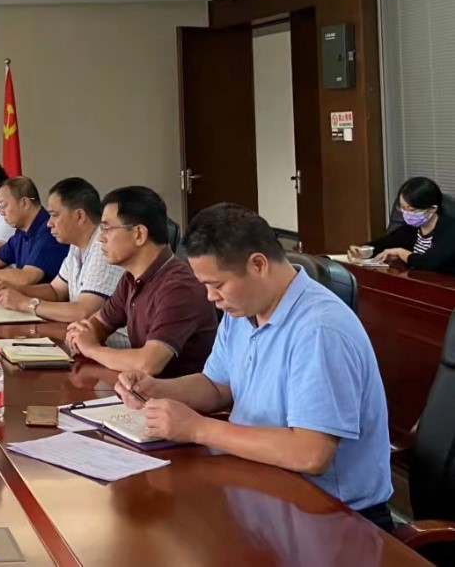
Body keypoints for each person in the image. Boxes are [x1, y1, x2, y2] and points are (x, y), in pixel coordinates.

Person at [115, 203, 393, 533]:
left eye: (217, 284)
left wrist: (197, 428)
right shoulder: (244, 309)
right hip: (263, 489)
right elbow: (217, 386)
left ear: (258, 264)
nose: (210, 297)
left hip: (334, 518)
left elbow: (311, 453)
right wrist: (157, 389)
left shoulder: (319, 330)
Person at [65, 186, 217, 377]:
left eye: (107, 228)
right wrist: (85, 331)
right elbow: (101, 322)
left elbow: (148, 364)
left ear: (139, 234)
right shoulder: (131, 278)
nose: (101, 238)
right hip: (142, 389)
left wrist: (92, 349)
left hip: (176, 393)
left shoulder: (179, 287)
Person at [0, 177, 129, 344]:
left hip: (114, 348)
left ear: (79, 216)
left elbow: (83, 311)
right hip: (83, 341)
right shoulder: (76, 246)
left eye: (54, 215)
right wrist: (16, 290)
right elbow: (55, 290)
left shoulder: (102, 246)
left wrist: (25, 303)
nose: (49, 223)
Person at [357, 176, 455, 274]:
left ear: (432, 209)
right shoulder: (411, 229)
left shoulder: (450, 230)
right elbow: (385, 244)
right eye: (402, 208)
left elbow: (428, 262)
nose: (406, 213)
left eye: (411, 209)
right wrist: (363, 250)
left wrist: (401, 253)